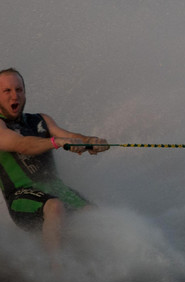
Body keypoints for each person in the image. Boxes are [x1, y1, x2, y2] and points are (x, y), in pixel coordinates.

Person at [0, 68, 109, 253]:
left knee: (94, 215)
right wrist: (56, 142)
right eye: (7, 91)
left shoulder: (41, 120)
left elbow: (70, 136)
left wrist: (91, 142)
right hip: (21, 197)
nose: (14, 96)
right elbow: (21, 144)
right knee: (55, 206)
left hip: (55, 188)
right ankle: (56, 274)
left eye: (19, 90)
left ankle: (103, 267)